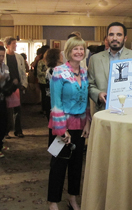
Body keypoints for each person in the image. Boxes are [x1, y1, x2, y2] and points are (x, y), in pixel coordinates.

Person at [47, 36, 91, 210]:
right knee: (58, 165)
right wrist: (61, 129)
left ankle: (72, 198)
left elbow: (86, 100)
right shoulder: (58, 72)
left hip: (80, 126)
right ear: (68, 52)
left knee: (76, 165)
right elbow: (55, 103)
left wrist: (88, 122)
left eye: (81, 48)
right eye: (75, 49)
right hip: (62, 126)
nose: (79, 52)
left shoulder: (85, 72)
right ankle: (53, 202)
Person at [88, 22, 132, 113]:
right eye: (111, 34)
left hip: (129, 111)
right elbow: (90, 85)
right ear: (107, 37)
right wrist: (98, 94)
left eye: (119, 35)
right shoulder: (95, 59)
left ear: (125, 38)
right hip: (103, 111)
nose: (115, 38)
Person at [4, 36, 28, 138]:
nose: (15, 45)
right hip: (6, 86)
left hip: (17, 86)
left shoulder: (19, 57)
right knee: (6, 110)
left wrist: (23, 84)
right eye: (13, 43)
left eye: (15, 43)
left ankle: (18, 130)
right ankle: (6, 131)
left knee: (17, 109)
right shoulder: (3, 57)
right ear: (7, 45)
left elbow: (22, 72)